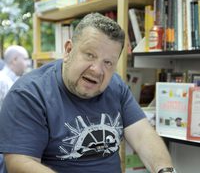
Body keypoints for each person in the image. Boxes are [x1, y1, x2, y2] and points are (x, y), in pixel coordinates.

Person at [0, 13, 175, 173]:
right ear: (68, 51)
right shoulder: (28, 94)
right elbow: (20, 163)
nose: (97, 70)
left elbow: (143, 135)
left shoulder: (115, 85)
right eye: (90, 55)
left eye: (108, 63)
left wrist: (165, 170)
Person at [0, 45, 29, 173]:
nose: (28, 63)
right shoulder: (2, 81)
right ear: (15, 59)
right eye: (26, 59)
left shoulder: (13, 81)